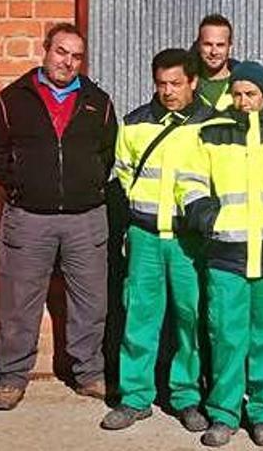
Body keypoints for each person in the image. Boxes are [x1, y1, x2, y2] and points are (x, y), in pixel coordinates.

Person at [0, 22, 116, 410]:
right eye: (61, 52)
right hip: (28, 217)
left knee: (90, 302)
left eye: (76, 56)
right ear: (45, 50)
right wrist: (22, 187)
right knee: (18, 301)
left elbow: (107, 154)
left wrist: (87, 185)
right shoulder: (14, 98)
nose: (68, 62)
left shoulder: (98, 101)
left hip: (85, 218)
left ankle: (89, 373)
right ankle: (11, 377)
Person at [177, 61, 263, 447]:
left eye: (251, 94)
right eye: (238, 93)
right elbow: (191, 178)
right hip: (226, 251)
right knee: (226, 336)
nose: (243, 101)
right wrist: (204, 212)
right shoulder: (212, 132)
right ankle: (224, 414)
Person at [100, 48, 212, 432]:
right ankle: (135, 397)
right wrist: (140, 216)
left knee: (190, 320)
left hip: (187, 242)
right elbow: (125, 175)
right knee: (140, 318)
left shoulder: (211, 126)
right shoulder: (134, 124)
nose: (168, 91)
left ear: (193, 83)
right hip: (145, 236)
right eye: (161, 83)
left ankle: (186, 397)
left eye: (176, 84)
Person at [196, 14, 239, 111]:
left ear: (230, 47)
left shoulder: (246, 83)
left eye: (220, 45)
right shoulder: (185, 84)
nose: (214, 52)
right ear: (199, 46)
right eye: (208, 44)